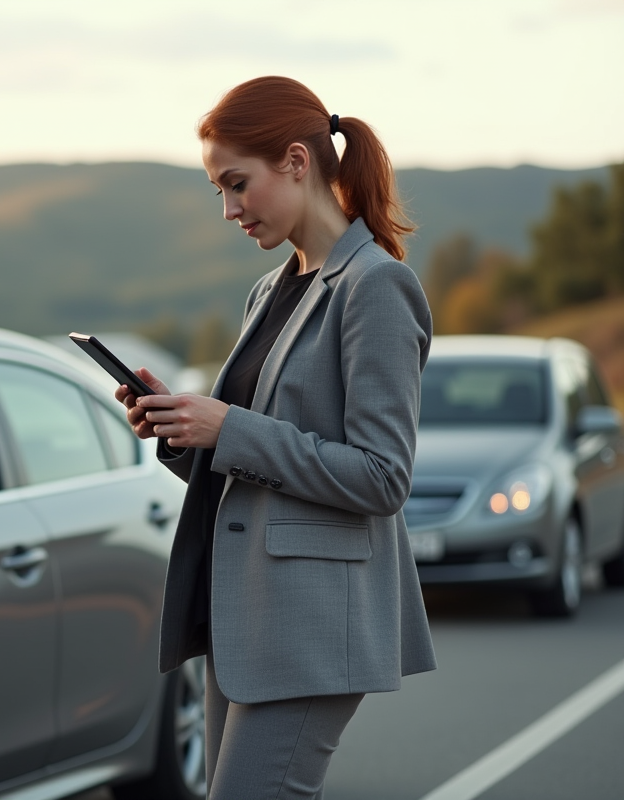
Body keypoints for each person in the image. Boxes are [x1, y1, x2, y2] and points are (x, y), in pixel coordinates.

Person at [115, 76, 436, 799]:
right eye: (217, 191)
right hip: (245, 616)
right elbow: (251, 466)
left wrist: (227, 425)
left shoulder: (374, 287)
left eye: (238, 184)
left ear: (297, 161)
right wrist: (181, 432)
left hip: (313, 623)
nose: (228, 210)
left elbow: (383, 478)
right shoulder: (272, 289)